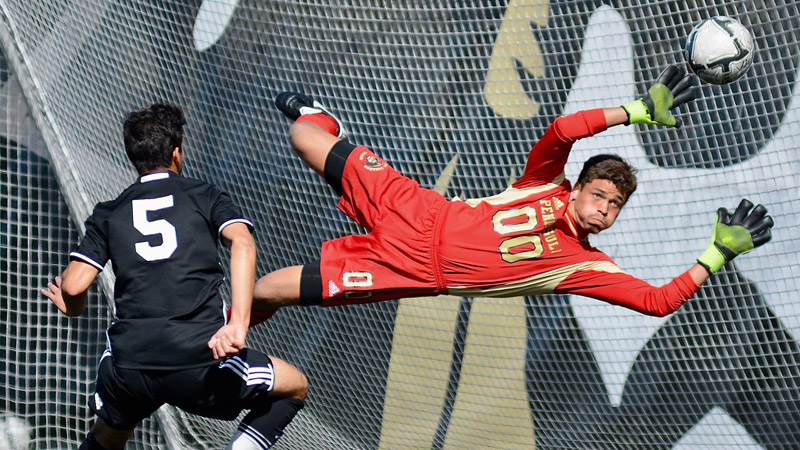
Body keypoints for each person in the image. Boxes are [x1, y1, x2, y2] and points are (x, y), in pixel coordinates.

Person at [248, 65, 774, 323]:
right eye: (599, 195)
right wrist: (633, 111)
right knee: (302, 134)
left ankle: (228, 332)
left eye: (614, 206)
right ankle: (324, 121)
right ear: (576, 190)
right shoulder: (544, 185)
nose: (604, 210)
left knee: (267, 290)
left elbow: (657, 302)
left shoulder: (584, 266)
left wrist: (718, 253)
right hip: (419, 209)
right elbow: (564, 131)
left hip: (410, 270)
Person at [42, 104, 307, 450]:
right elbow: (242, 243)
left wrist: (73, 306)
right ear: (178, 152)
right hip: (199, 361)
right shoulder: (204, 195)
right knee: (295, 385)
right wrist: (238, 323)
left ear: (134, 158)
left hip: (131, 367)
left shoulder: (109, 212)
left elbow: (74, 285)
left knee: (107, 436)